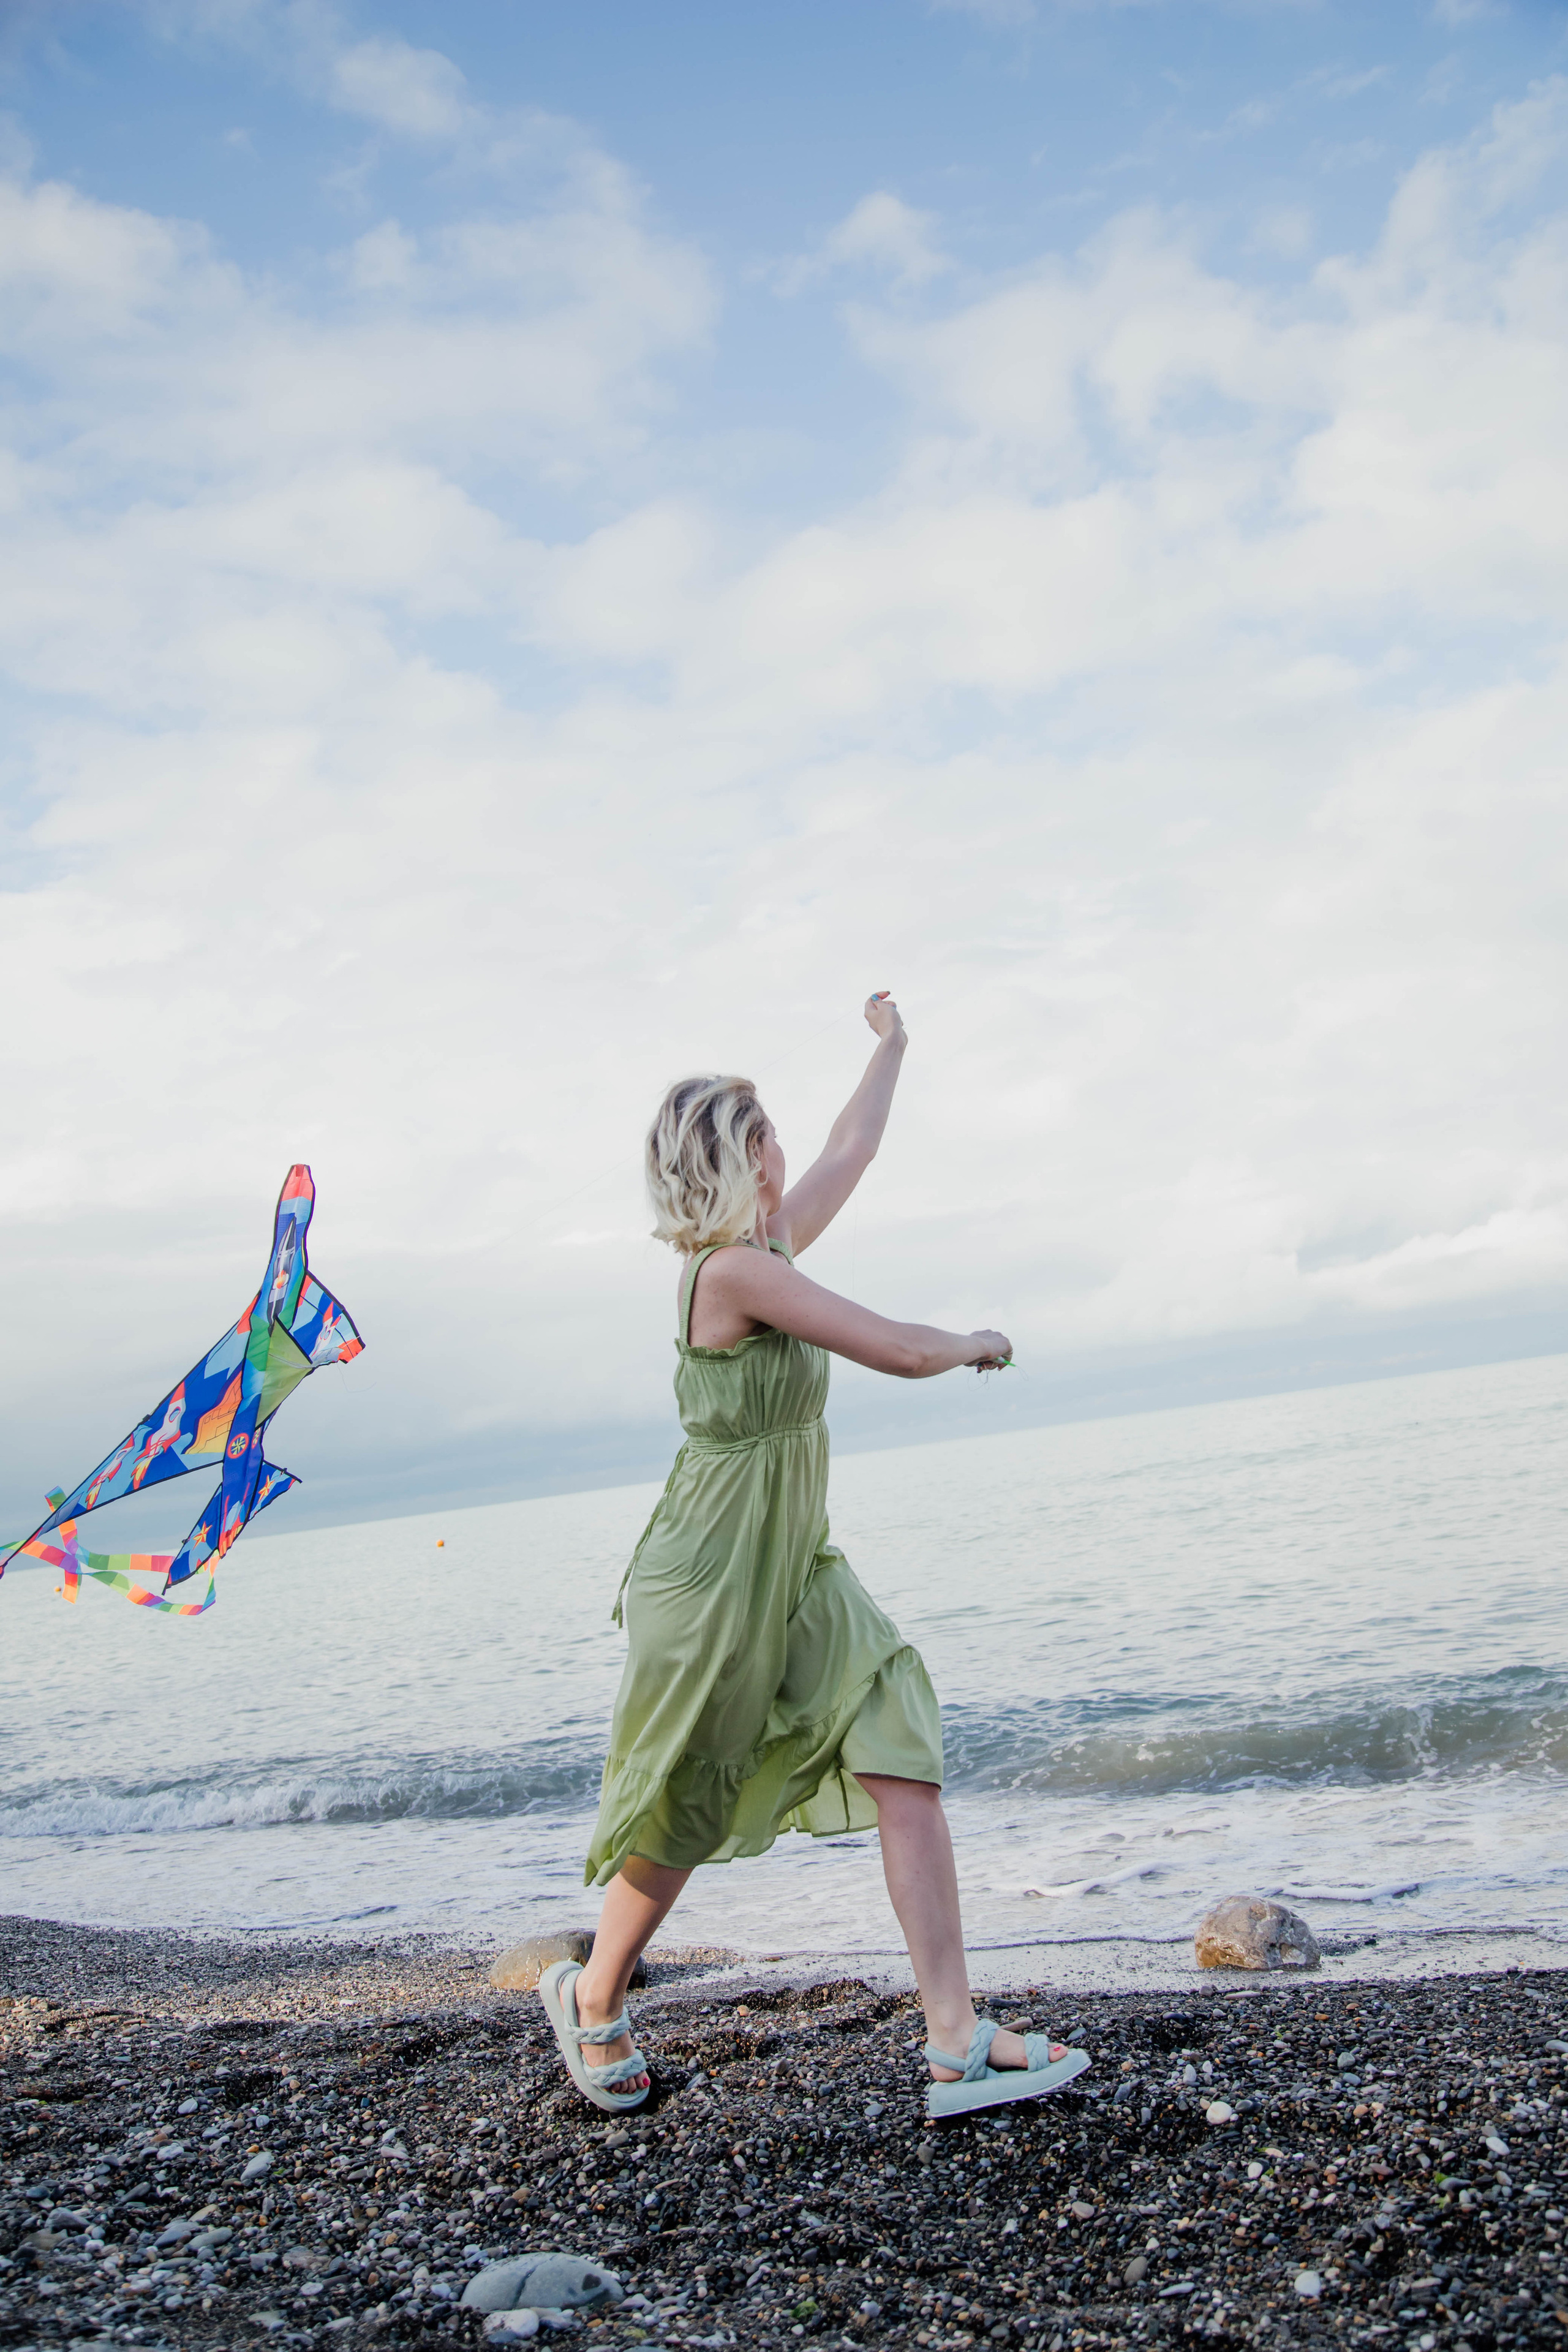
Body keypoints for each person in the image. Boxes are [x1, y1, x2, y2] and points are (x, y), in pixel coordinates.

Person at [539, 994, 1091, 2121]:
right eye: (767, 1132)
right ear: (740, 1158)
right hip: (710, 1582)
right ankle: (591, 1996)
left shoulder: (772, 1248)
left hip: (793, 1565)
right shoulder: (730, 1273)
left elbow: (856, 1146)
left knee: (899, 1741)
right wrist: (978, 1342)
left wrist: (892, 1047)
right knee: (687, 1803)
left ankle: (955, 2041)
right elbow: (889, 1345)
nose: (787, 1146)